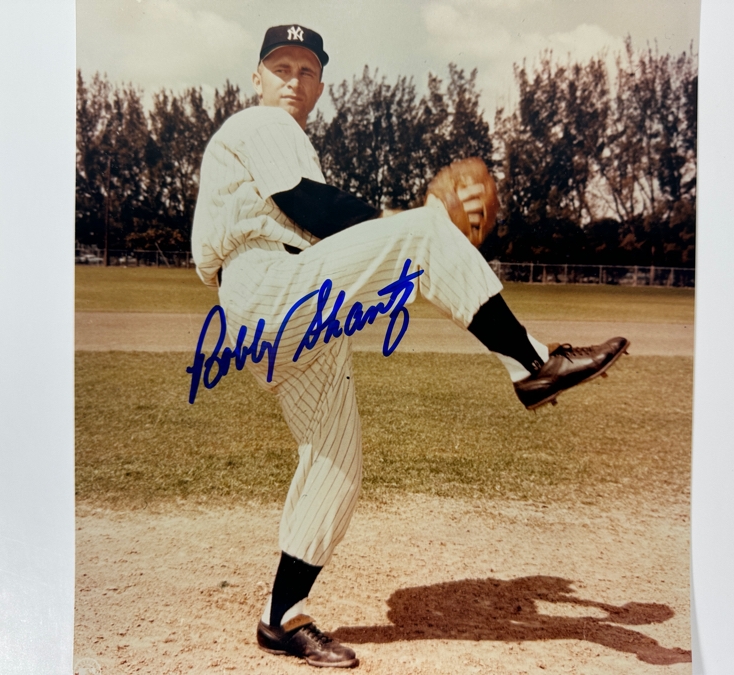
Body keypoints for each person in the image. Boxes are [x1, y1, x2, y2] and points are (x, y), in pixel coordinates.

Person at [190, 24, 629, 669]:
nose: (292, 78)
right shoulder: (257, 125)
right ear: (256, 78)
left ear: (318, 86)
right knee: (424, 236)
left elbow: (324, 219)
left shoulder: (292, 140)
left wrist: (412, 227)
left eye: (306, 70)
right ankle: (534, 365)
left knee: (335, 462)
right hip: (267, 286)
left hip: (287, 310)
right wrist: (419, 223)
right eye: (279, 66)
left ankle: (280, 619)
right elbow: (307, 203)